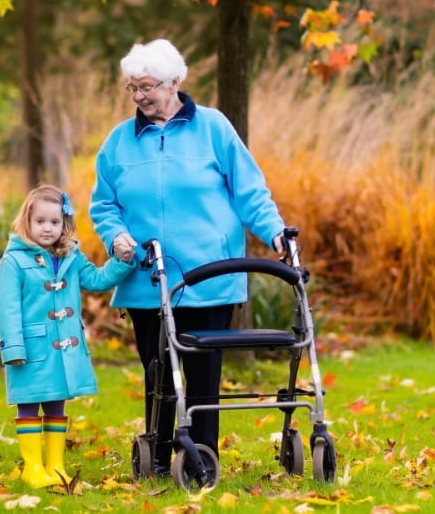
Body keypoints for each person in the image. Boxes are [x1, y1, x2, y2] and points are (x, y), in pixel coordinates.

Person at [89, 38, 287, 478]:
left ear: (175, 81)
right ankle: (159, 455)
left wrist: (274, 231)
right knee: (158, 372)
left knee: (201, 374)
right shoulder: (119, 142)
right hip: (146, 280)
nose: (139, 96)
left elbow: (249, 190)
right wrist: (115, 235)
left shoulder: (213, 128)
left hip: (210, 277)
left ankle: (200, 458)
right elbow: (103, 204)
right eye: (132, 88)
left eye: (147, 87)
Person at [0, 184, 135, 488]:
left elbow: (97, 280)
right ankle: (33, 467)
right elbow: (7, 308)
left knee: (57, 403)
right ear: (27, 222)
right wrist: (13, 347)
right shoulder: (13, 261)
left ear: (64, 224)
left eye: (55, 222)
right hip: (30, 349)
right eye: (41, 221)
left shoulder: (71, 257)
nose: (48, 228)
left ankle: (55, 464)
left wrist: (121, 261)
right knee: (29, 403)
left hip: (62, 350)